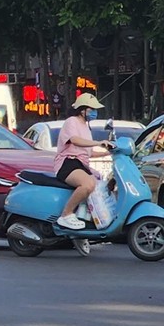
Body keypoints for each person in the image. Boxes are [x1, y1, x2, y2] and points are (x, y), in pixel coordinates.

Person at [53, 94, 110, 230]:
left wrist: (109, 152)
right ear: (82, 110)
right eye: (92, 109)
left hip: (81, 164)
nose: (94, 112)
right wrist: (98, 142)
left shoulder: (86, 126)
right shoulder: (71, 121)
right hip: (68, 163)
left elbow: (87, 152)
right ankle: (66, 215)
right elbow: (75, 140)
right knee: (88, 184)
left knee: (100, 185)